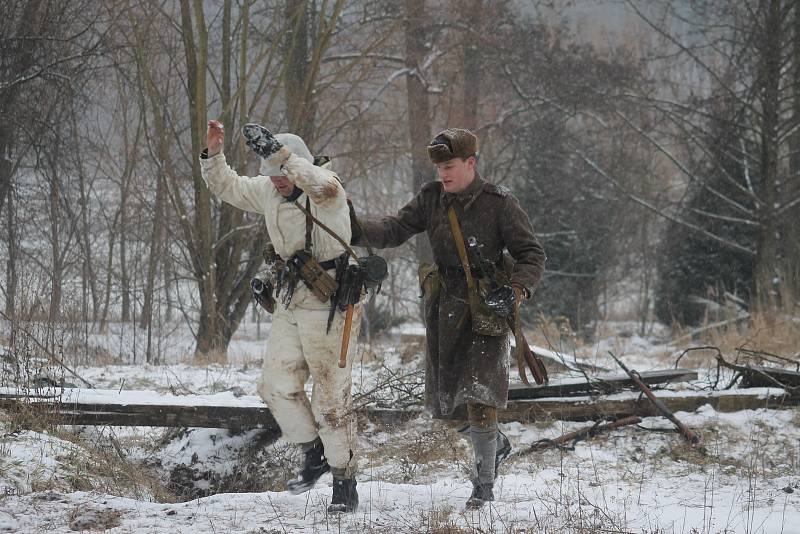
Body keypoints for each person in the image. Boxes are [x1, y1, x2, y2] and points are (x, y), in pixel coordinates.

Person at [352, 128, 545, 509]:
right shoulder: (430, 198)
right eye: (440, 167)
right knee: (447, 404)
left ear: (471, 163)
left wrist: (518, 288)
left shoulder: (500, 204)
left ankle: (483, 483)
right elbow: (394, 229)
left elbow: (532, 254)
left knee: (480, 395)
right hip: (445, 309)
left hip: (487, 309)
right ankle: (496, 445)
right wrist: (350, 226)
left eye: (450, 166)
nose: (444, 174)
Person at [200, 119, 361, 513]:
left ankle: (345, 481)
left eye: (282, 172)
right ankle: (312, 454)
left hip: (332, 304)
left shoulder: (327, 189)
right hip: (292, 299)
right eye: (270, 174)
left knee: (331, 401)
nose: (277, 181)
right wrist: (213, 154)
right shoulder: (269, 190)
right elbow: (228, 186)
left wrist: (279, 155)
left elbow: (314, 180)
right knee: (274, 385)